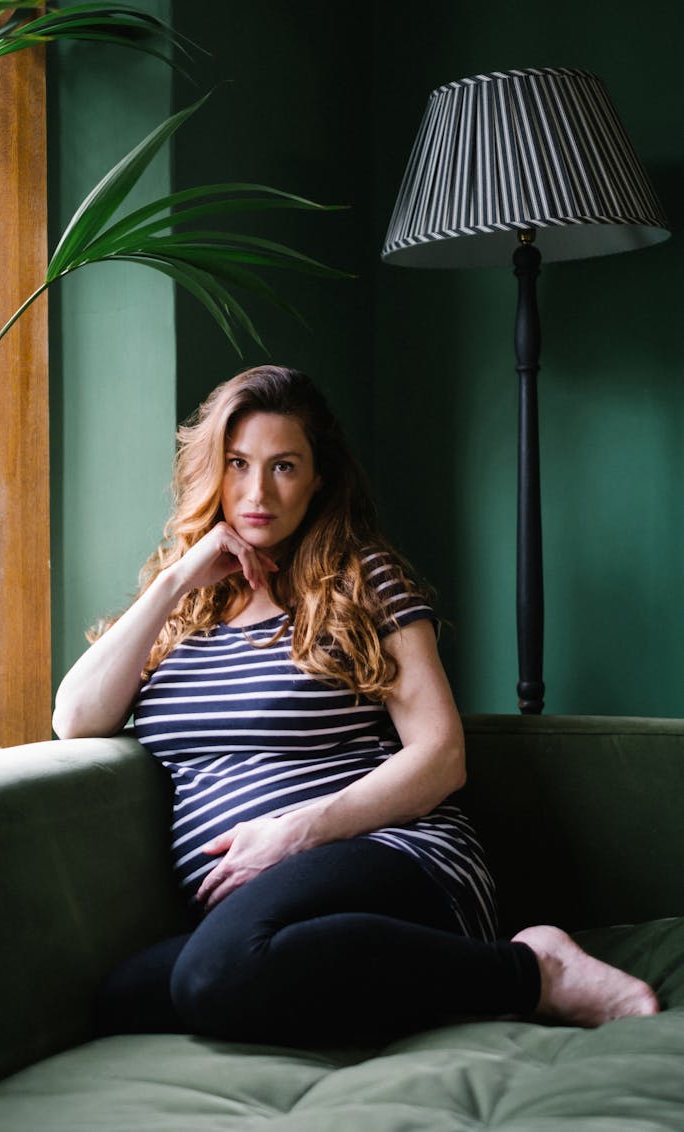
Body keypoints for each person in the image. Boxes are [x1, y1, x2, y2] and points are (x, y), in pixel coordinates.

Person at [53, 364, 659, 1044]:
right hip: (258, 908)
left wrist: (294, 833)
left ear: (318, 478)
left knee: (212, 978)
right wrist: (175, 580)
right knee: (124, 999)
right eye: (238, 463)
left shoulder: (364, 579)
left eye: (284, 466)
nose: (257, 492)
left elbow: (442, 756)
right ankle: (371, 969)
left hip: (389, 854)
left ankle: (533, 972)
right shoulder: (183, 605)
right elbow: (74, 718)